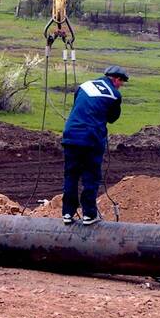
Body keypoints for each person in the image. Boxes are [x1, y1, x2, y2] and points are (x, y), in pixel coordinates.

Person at [61, 65, 128, 226]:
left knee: (71, 175)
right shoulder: (114, 94)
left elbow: (78, 106)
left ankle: (67, 213)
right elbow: (112, 118)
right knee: (91, 176)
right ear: (116, 79)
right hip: (91, 139)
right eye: (122, 82)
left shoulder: (84, 86)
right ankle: (89, 214)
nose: (121, 86)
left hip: (71, 135)